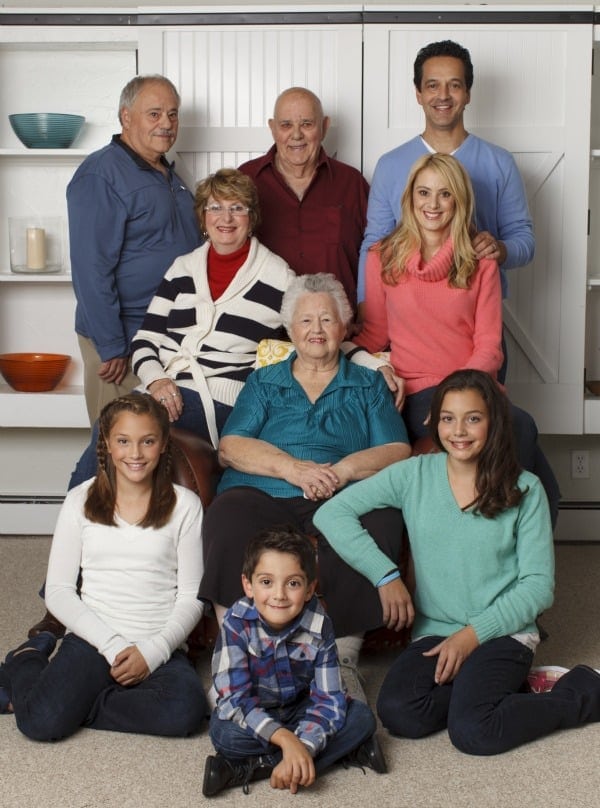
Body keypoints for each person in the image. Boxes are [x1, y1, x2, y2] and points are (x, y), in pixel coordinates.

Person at [315, 369, 600, 756]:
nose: (459, 431)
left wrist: (472, 636)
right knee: (400, 713)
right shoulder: (414, 474)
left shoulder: (526, 489)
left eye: (473, 418)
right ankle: (496, 691)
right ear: (434, 421)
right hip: (437, 630)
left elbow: (537, 587)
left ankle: (583, 689)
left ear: (493, 422)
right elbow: (332, 513)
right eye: (448, 418)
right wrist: (385, 576)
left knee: (473, 731)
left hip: (503, 631)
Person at [199, 272, 411, 701]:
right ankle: (235, 652)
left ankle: (344, 658)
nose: (317, 330)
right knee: (227, 513)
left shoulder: (367, 384)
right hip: (266, 491)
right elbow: (231, 446)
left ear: (345, 328)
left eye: (327, 320)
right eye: (306, 321)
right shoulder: (265, 381)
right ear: (290, 329)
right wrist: (293, 469)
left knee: (380, 518)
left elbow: (397, 449)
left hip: (342, 494)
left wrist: (345, 470)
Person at [354, 151, 559, 526]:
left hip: (472, 383)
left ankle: (512, 551)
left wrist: (459, 394)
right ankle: (498, 535)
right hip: (416, 393)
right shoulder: (381, 257)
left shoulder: (481, 261)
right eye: (424, 193)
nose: (433, 204)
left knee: (534, 456)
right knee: (524, 437)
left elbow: (488, 346)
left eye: (445, 194)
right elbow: (375, 335)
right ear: (410, 198)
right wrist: (338, 346)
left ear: (460, 201)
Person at [0, 393, 207, 740]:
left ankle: (83, 702)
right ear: (107, 445)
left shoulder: (185, 506)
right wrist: (111, 645)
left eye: (148, 441)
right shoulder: (79, 500)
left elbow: (192, 597)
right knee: (40, 723)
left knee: (186, 712)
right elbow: (60, 591)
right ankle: (26, 659)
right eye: (124, 441)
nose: (136, 454)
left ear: (162, 445)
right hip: (94, 640)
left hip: (156, 641)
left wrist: (152, 652)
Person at [357, 40, 534, 332]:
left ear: (467, 94)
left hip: (477, 321)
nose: (443, 95)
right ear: (418, 93)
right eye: (432, 85)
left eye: (454, 85)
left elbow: (525, 240)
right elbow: (374, 242)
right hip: (406, 323)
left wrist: (499, 250)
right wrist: (366, 302)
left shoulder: (500, 162)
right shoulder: (390, 165)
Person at [202, 525, 386, 798]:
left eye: (293, 583)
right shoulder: (236, 623)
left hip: (300, 706)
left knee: (361, 718)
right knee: (224, 734)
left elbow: (328, 700)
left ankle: (255, 767)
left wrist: (304, 746)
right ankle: (343, 753)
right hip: (254, 707)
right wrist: (286, 739)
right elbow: (236, 699)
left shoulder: (319, 624)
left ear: (310, 589)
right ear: (248, 585)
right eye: (266, 582)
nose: (279, 595)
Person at [67, 74, 201, 424]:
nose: (167, 124)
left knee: (155, 450)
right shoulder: (101, 174)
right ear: (126, 117)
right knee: (116, 447)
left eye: (173, 114)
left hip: (164, 339)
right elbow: (90, 268)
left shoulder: (169, 174)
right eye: (154, 114)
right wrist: (111, 345)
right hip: (122, 344)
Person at [239, 87, 369, 305]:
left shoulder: (352, 183)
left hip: (336, 328)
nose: (296, 135)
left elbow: (377, 254)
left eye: (307, 124)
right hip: (262, 323)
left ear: (324, 126)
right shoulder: (245, 179)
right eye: (286, 125)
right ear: (272, 128)